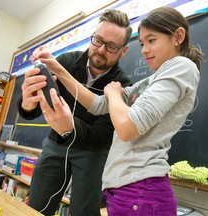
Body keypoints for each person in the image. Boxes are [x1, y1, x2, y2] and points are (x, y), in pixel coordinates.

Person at [35, 7, 204, 216]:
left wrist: (114, 94)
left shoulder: (182, 66)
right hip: (125, 188)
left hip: (142, 189)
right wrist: (58, 70)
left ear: (178, 36)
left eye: (151, 40)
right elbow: (98, 104)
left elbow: (127, 128)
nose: (143, 50)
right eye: (142, 43)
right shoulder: (150, 81)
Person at [18, 9, 132, 216]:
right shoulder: (66, 62)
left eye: (112, 46)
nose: (100, 50)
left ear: (124, 51)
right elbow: (33, 109)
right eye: (98, 40)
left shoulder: (122, 86)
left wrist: (71, 127)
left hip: (94, 151)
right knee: (37, 207)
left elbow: (103, 135)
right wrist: (27, 103)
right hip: (56, 143)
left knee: (85, 211)